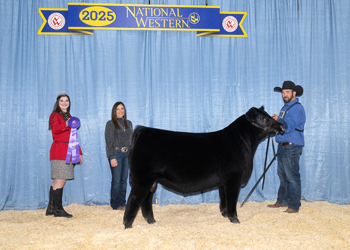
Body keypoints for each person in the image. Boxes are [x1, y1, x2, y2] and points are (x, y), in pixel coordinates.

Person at [268, 81, 306, 213]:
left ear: (294, 93)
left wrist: (279, 120)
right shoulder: (285, 108)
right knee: (282, 175)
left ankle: (294, 205)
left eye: (287, 92)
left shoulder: (297, 108)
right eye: (283, 92)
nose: (284, 95)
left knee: (292, 176)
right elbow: (282, 127)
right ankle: (282, 201)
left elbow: (288, 127)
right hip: (283, 146)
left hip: (292, 147)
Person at [46, 92, 83, 218]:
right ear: (58, 103)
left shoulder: (68, 116)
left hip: (67, 150)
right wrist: (67, 123)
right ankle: (58, 210)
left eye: (66, 100)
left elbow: (73, 137)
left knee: (57, 180)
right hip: (60, 151)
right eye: (62, 100)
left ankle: (51, 208)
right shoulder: (55, 115)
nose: (64, 103)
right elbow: (56, 129)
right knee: (61, 179)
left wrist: (79, 153)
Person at [105, 102, 133, 210]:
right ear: (114, 111)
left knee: (124, 180)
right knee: (116, 180)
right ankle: (115, 204)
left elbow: (131, 140)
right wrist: (111, 157)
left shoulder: (129, 123)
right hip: (116, 153)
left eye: (122, 108)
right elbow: (108, 142)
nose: (120, 111)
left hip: (127, 154)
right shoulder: (110, 124)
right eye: (118, 109)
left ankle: (122, 203)